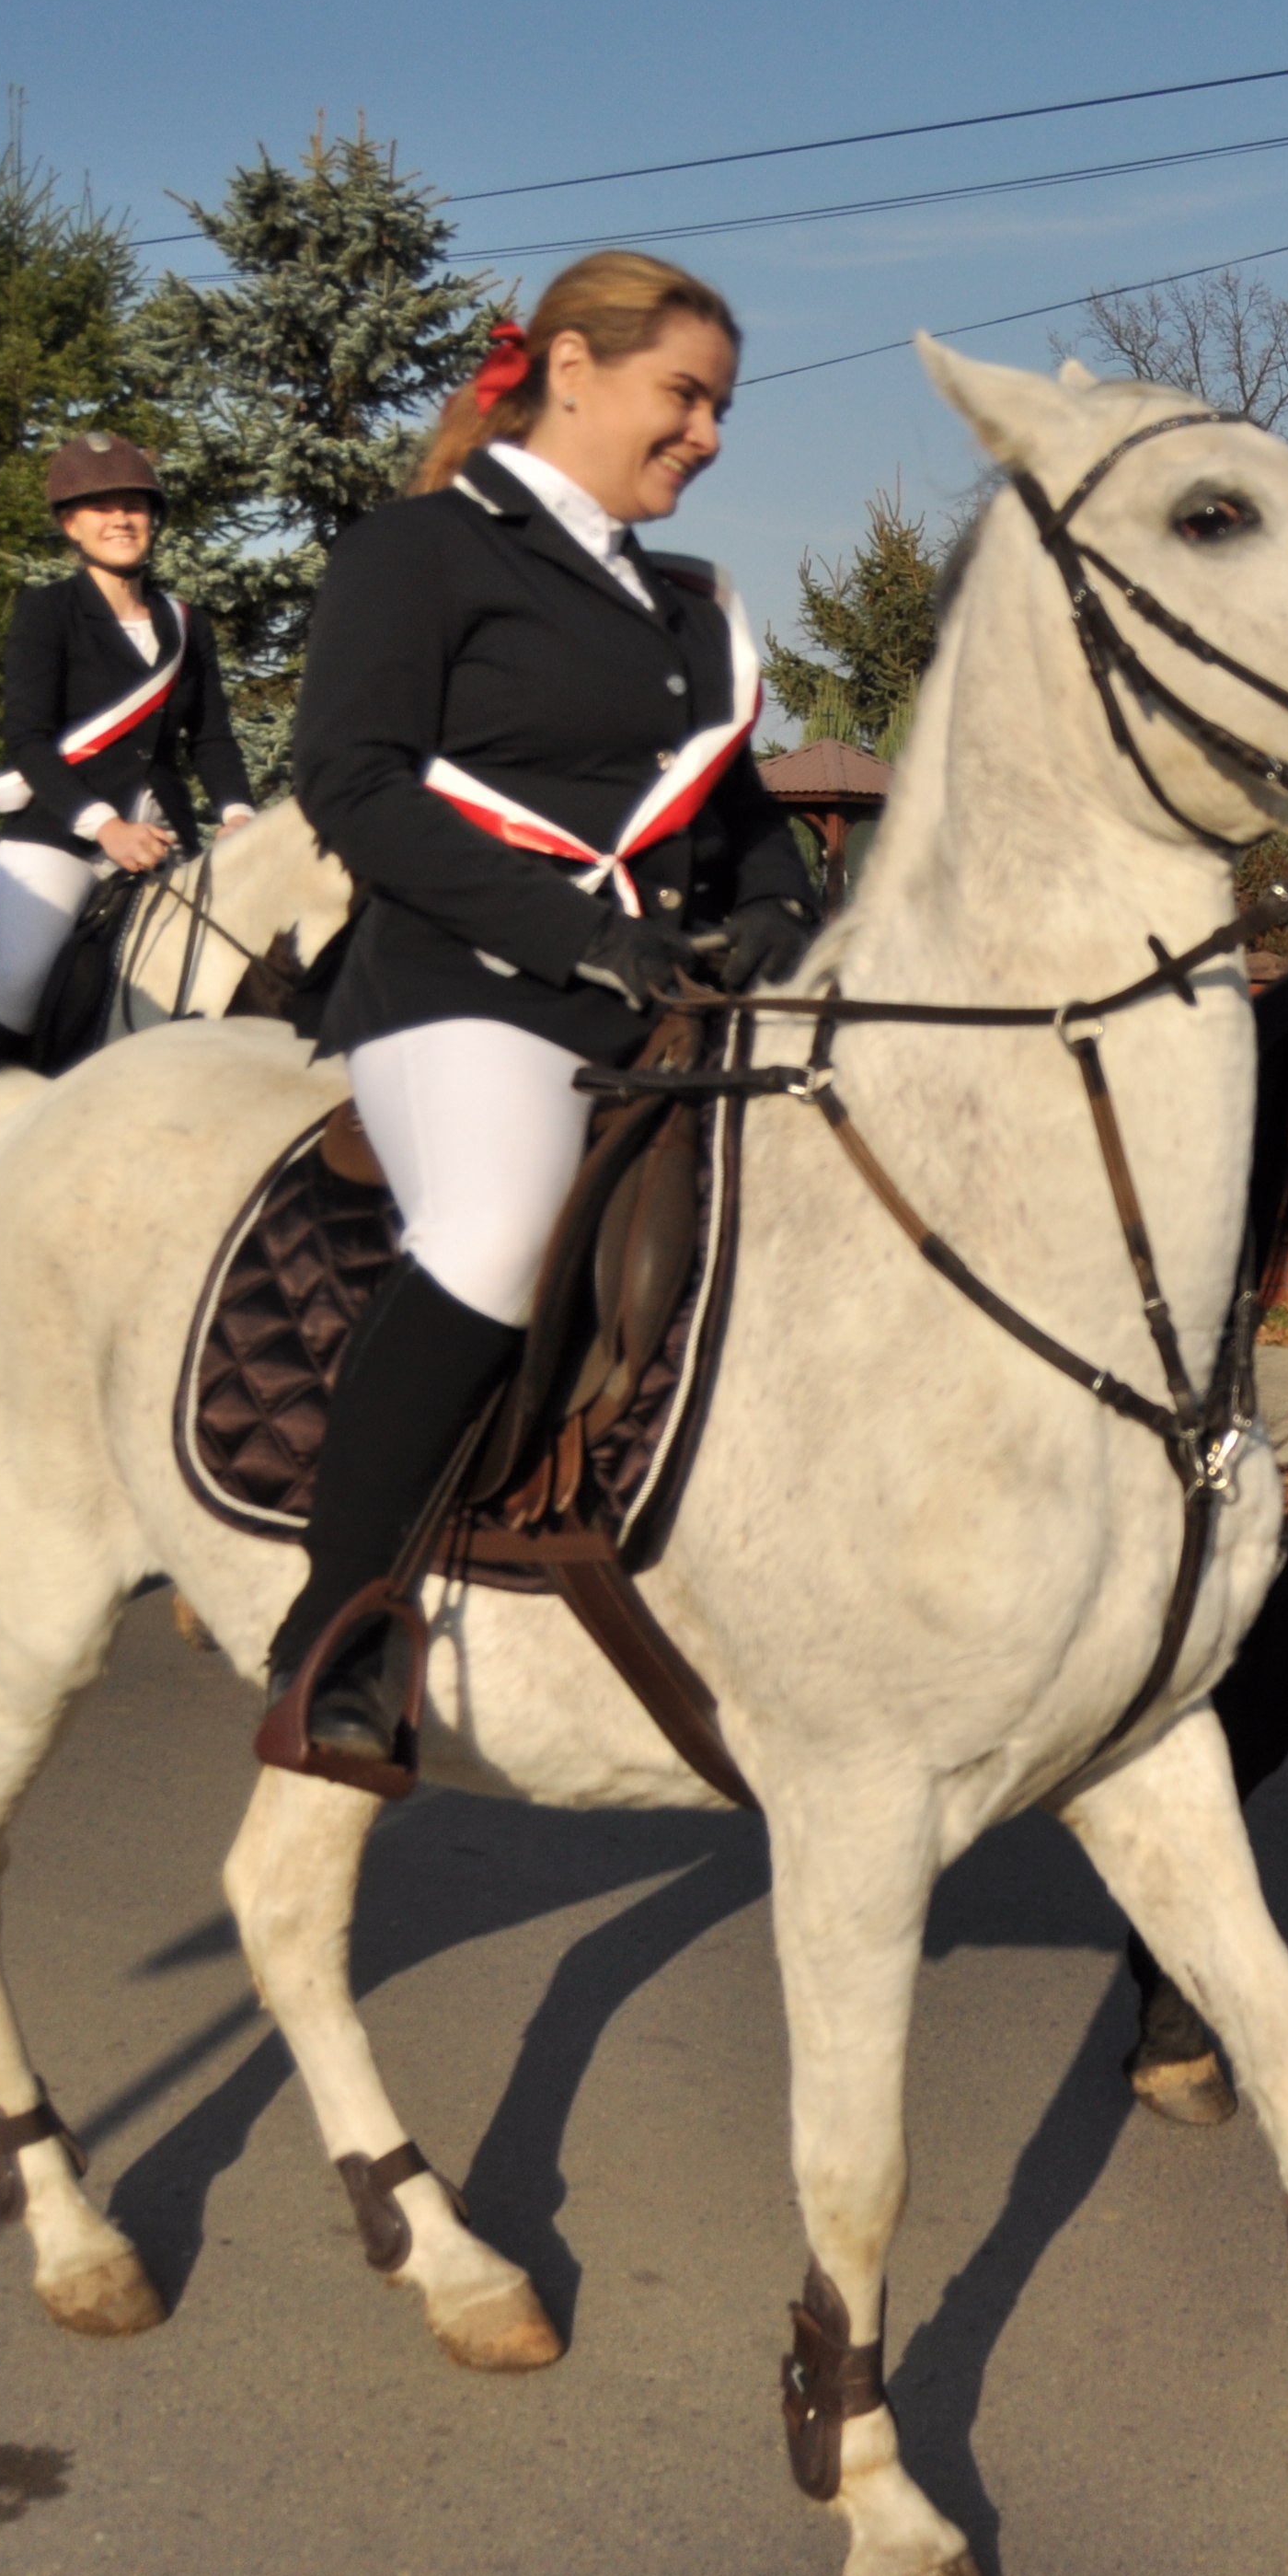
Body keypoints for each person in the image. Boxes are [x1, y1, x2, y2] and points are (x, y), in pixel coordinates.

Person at [264, 251, 821, 1762]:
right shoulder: (421, 548)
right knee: (498, 1224)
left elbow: (740, 809)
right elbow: (354, 782)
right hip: (461, 985)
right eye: (683, 395)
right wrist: (574, 936)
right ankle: (338, 1624)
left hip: (664, 1001)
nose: (706, 433)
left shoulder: (694, 607)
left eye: (719, 406)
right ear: (570, 367)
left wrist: (774, 903)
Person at [0, 432, 256, 1070]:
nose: (121, 518)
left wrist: (237, 816)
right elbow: (28, 741)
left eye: (134, 505)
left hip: (163, 845)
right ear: (71, 525)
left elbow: (212, 737)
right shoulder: (47, 612)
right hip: (59, 839)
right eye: (100, 507)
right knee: (21, 979)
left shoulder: (186, 623)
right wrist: (106, 828)